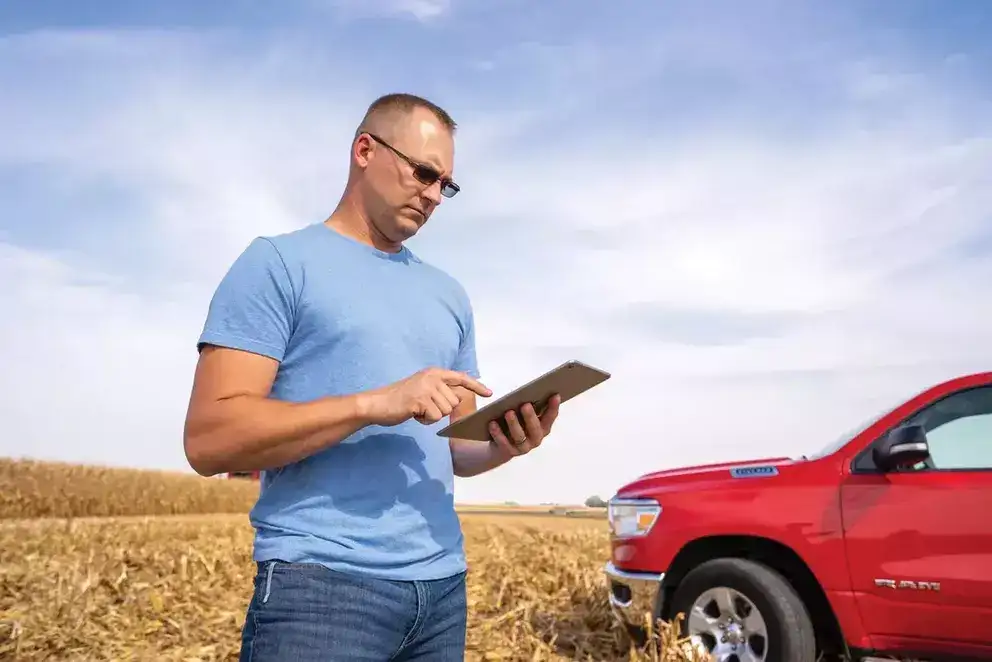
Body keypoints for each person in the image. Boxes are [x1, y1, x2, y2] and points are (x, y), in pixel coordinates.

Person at [182, 92, 562, 662]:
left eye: (446, 186)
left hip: (440, 591)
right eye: (424, 173)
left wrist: (508, 443)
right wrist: (371, 404)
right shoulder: (278, 264)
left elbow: (456, 448)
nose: (434, 196)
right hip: (321, 590)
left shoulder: (449, 296)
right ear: (365, 150)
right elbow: (209, 439)